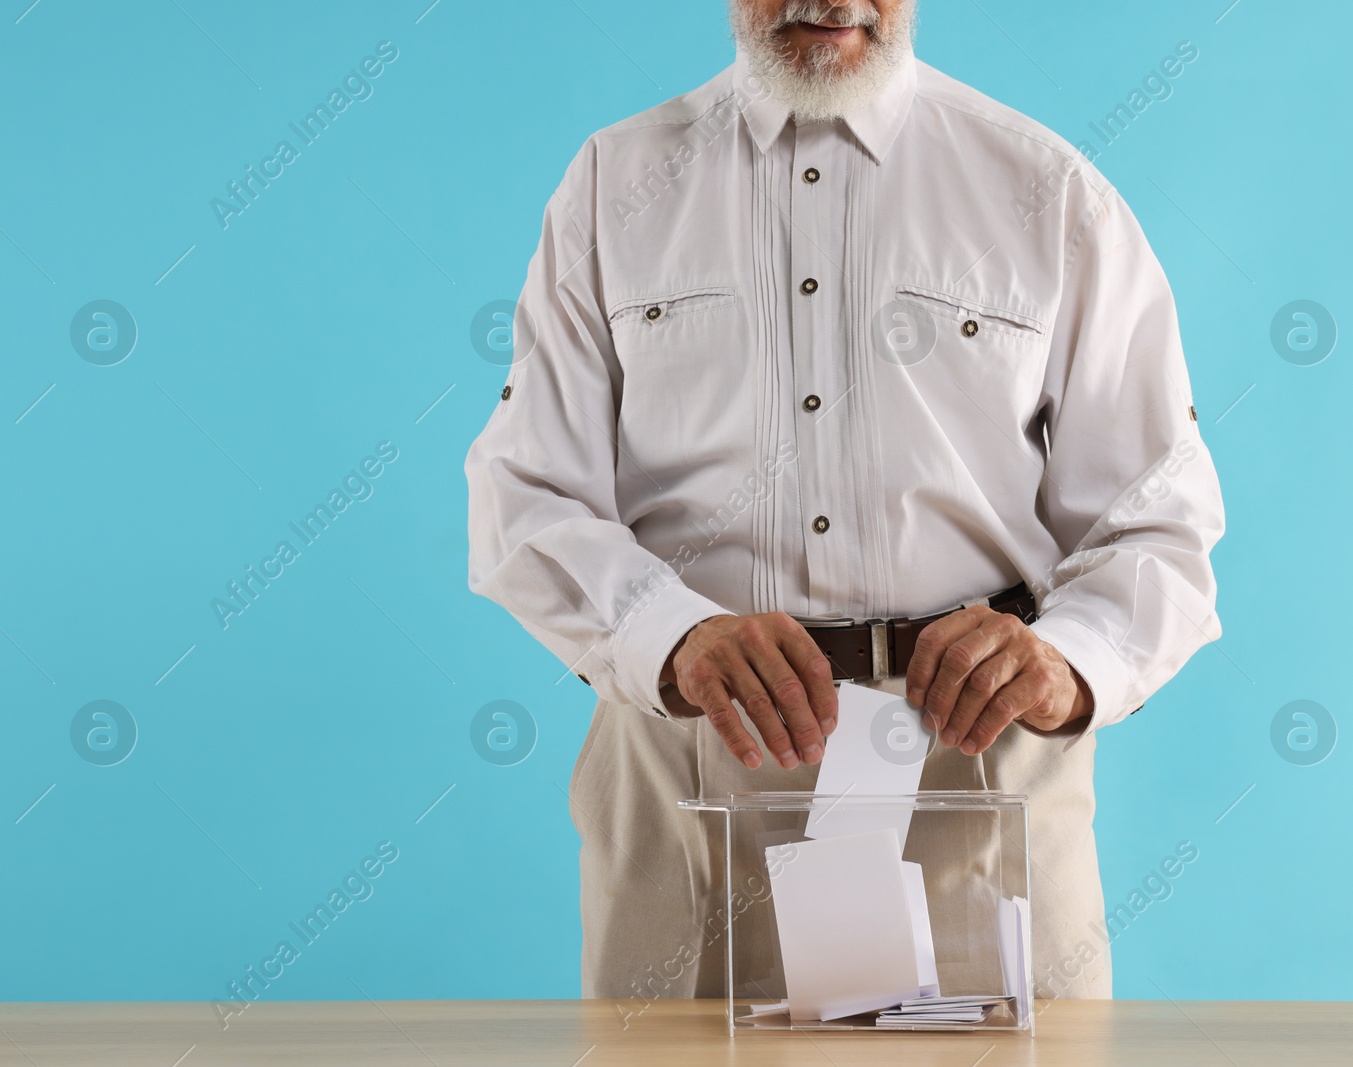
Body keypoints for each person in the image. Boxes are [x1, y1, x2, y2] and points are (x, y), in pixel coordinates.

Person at [466, 0, 1225, 1003]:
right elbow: (526, 492)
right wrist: (669, 633)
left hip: (977, 767)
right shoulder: (615, 185)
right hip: (687, 766)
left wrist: (1064, 659)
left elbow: (1158, 515)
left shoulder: (1049, 190)